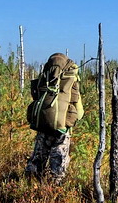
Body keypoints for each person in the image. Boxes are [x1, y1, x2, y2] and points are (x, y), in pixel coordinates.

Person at [25, 53, 84, 184]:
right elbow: (79, 112)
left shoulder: (46, 77)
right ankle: (55, 190)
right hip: (62, 127)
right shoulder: (69, 79)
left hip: (43, 124)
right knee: (58, 158)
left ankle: (30, 182)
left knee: (38, 155)